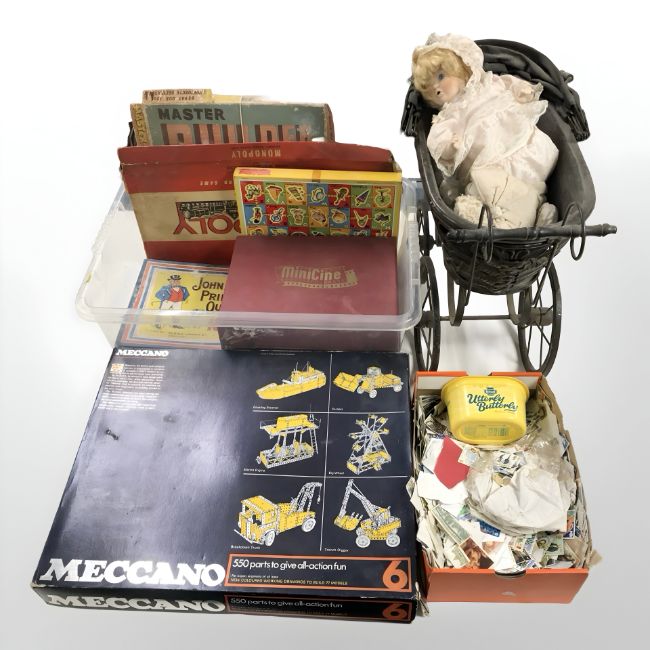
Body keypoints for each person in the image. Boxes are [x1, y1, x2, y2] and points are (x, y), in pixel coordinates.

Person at [411, 33, 559, 229]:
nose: (437, 88)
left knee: (530, 179)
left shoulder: (490, 83)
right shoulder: (449, 115)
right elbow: (437, 142)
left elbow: (512, 86)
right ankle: (525, 221)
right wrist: (451, 147)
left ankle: (535, 206)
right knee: (490, 189)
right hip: (489, 163)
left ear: (459, 67)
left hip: (521, 143)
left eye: (440, 76)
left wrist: (523, 93)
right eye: (429, 89)